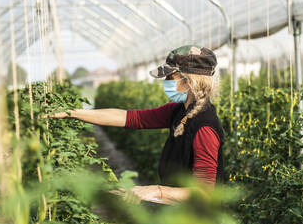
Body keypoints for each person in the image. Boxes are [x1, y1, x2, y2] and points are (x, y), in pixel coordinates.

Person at [44, 45, 225, 205]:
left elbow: (203, 193)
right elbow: (131, 118)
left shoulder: (205, 127)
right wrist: (72, 113)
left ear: (189, 81)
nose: (166, 82)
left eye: (171, 77)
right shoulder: (179, 111)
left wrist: (156, 191)